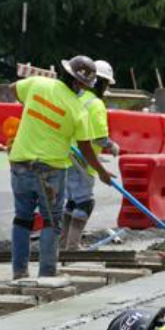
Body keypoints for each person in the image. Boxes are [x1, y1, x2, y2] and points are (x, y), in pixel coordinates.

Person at [9, 56, 113, 280]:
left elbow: (13, 89)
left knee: (22, 219)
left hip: (20, 163)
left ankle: (19, 272)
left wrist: (36, 111)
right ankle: (46, 274)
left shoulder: (37, 84)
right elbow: (86, 148)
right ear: (78, 83)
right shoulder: (78, 109)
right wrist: (103, 173)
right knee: (51, 222)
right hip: (51, 169)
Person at [62, 60, 119, 250]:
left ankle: (64, 242)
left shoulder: (75, 96)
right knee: (85, 202)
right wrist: (112, 146)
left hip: (65, 154)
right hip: (82, 158)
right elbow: (99, 138)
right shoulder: (96, 104)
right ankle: (72, 244)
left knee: (72, 201)